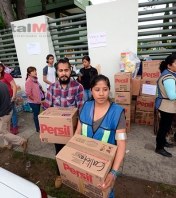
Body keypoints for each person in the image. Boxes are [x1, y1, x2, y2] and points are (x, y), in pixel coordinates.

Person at [75, 75, 126, 198]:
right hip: (85, 159)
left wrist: (113, 172)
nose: (101, 93)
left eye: (105, 89)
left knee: (105, 190)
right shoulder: (84, 107)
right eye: (97, 89)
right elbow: (77, 133)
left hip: (105, 164)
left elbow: (121, 144)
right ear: (91, 90)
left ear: (109, 90)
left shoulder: (117, 112)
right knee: (89, 188)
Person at [42, 58, 84, 188]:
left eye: (66, 70)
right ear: (57, 72)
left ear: (70, 70)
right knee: (59, 153)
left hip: (74, 130)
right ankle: (60, 174)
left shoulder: (78, 87)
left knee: (74, 154)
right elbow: (46, 110)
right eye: (61, 70)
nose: (64, 73)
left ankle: (75, 176)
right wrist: (44, 130)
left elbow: (82, 110)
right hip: (58, 131)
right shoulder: (52, 88)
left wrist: (79, 130)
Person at [0, 69, 27, 152]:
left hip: (2, 113)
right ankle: (8, 144)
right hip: (8, 110)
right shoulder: (3, 84)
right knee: (6, 130)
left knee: (2, 132)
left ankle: (21, 141)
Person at [0, 61, 18, 135]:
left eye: (0, 66)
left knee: (12, 113)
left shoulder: (6, 75)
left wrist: (13, 96)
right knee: (5, 114)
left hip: (9, 97)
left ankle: (15, 127)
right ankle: (9, 126)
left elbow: (14, 86)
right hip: (0, 98)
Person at [25, 66, 45, 132]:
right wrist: (36, 100)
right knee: (36, 115)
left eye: (35, 71)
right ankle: (38, 128)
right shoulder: (28, 81)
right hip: (34, 102)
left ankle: (41, 126)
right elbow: (28, 94)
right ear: (29, 73)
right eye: (33, 71)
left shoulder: (35, 80)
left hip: (39, 100)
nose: (35, 72)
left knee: (39, 114)